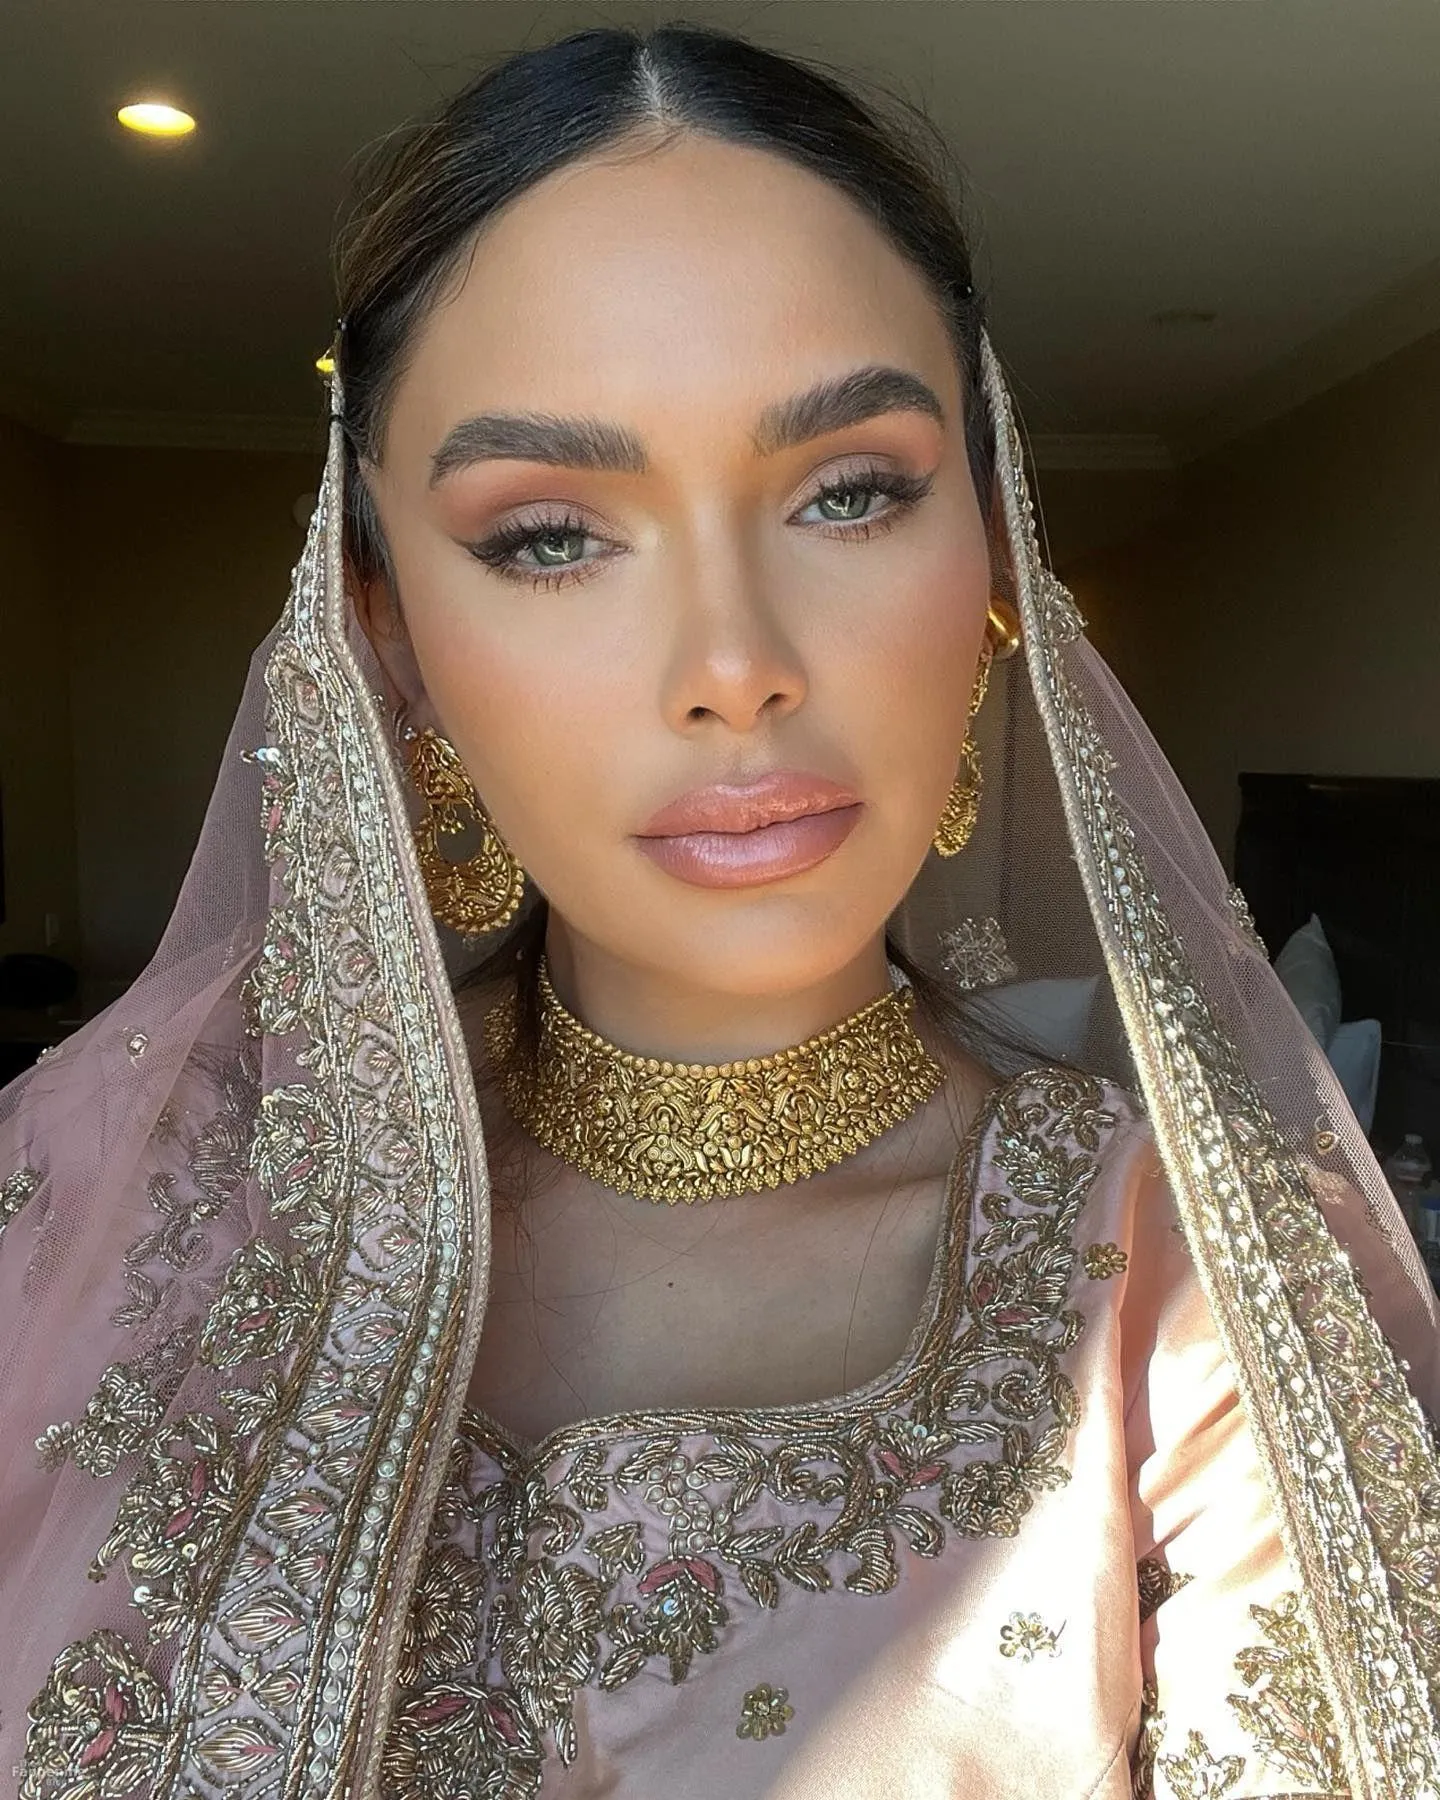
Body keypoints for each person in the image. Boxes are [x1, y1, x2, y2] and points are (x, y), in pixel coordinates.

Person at [2, 22, 1437, 1800]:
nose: (735, 666)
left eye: (851, 493)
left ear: (993, 560)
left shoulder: (1188, 1283)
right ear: (389, 632)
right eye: (549, 535)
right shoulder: (116, 1198)